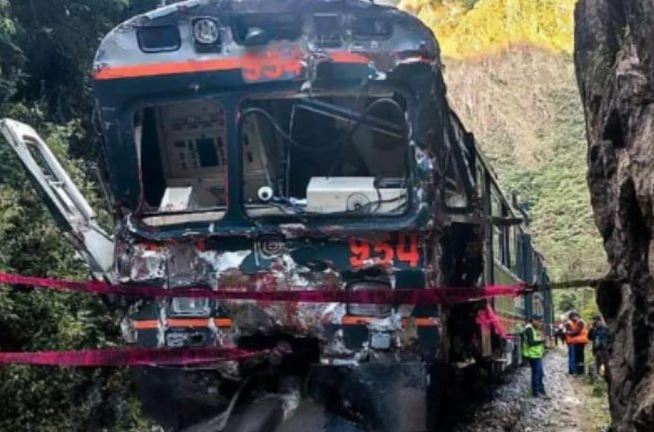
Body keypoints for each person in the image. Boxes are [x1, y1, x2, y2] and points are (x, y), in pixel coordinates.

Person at [522, 316, 547, 397]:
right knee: (537, 374)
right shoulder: (529, 328)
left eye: (541, 321)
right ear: (533, 320)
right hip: (532, 354)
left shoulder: (534, 328)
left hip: (536, 354)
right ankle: (536, 392)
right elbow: (531, 342)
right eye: (538, 321)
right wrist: (541, 341)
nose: (540, 323)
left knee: (540, 373)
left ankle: (541, 390)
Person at [566, 311, 589, 375]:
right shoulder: (577, 322)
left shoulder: (580, 322)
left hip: (579, 341)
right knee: (578, 357)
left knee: (579, 357)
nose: (572, 319)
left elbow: (576, 332)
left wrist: (569, 333)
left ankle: (579, 371)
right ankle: (579, 371)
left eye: (572, 317)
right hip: (577, 342)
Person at [588, 314, 608, 379]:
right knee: (597, 362)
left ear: (600, 321)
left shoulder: (605, 328)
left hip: (604, 348)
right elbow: (589, 337)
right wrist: (592, 329)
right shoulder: (594, 329)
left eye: (596, 321)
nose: (595, 323)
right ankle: (597, 376)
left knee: (605, 363)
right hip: (597, 348)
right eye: (594, 322)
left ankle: (606, 376)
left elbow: (607, 336)